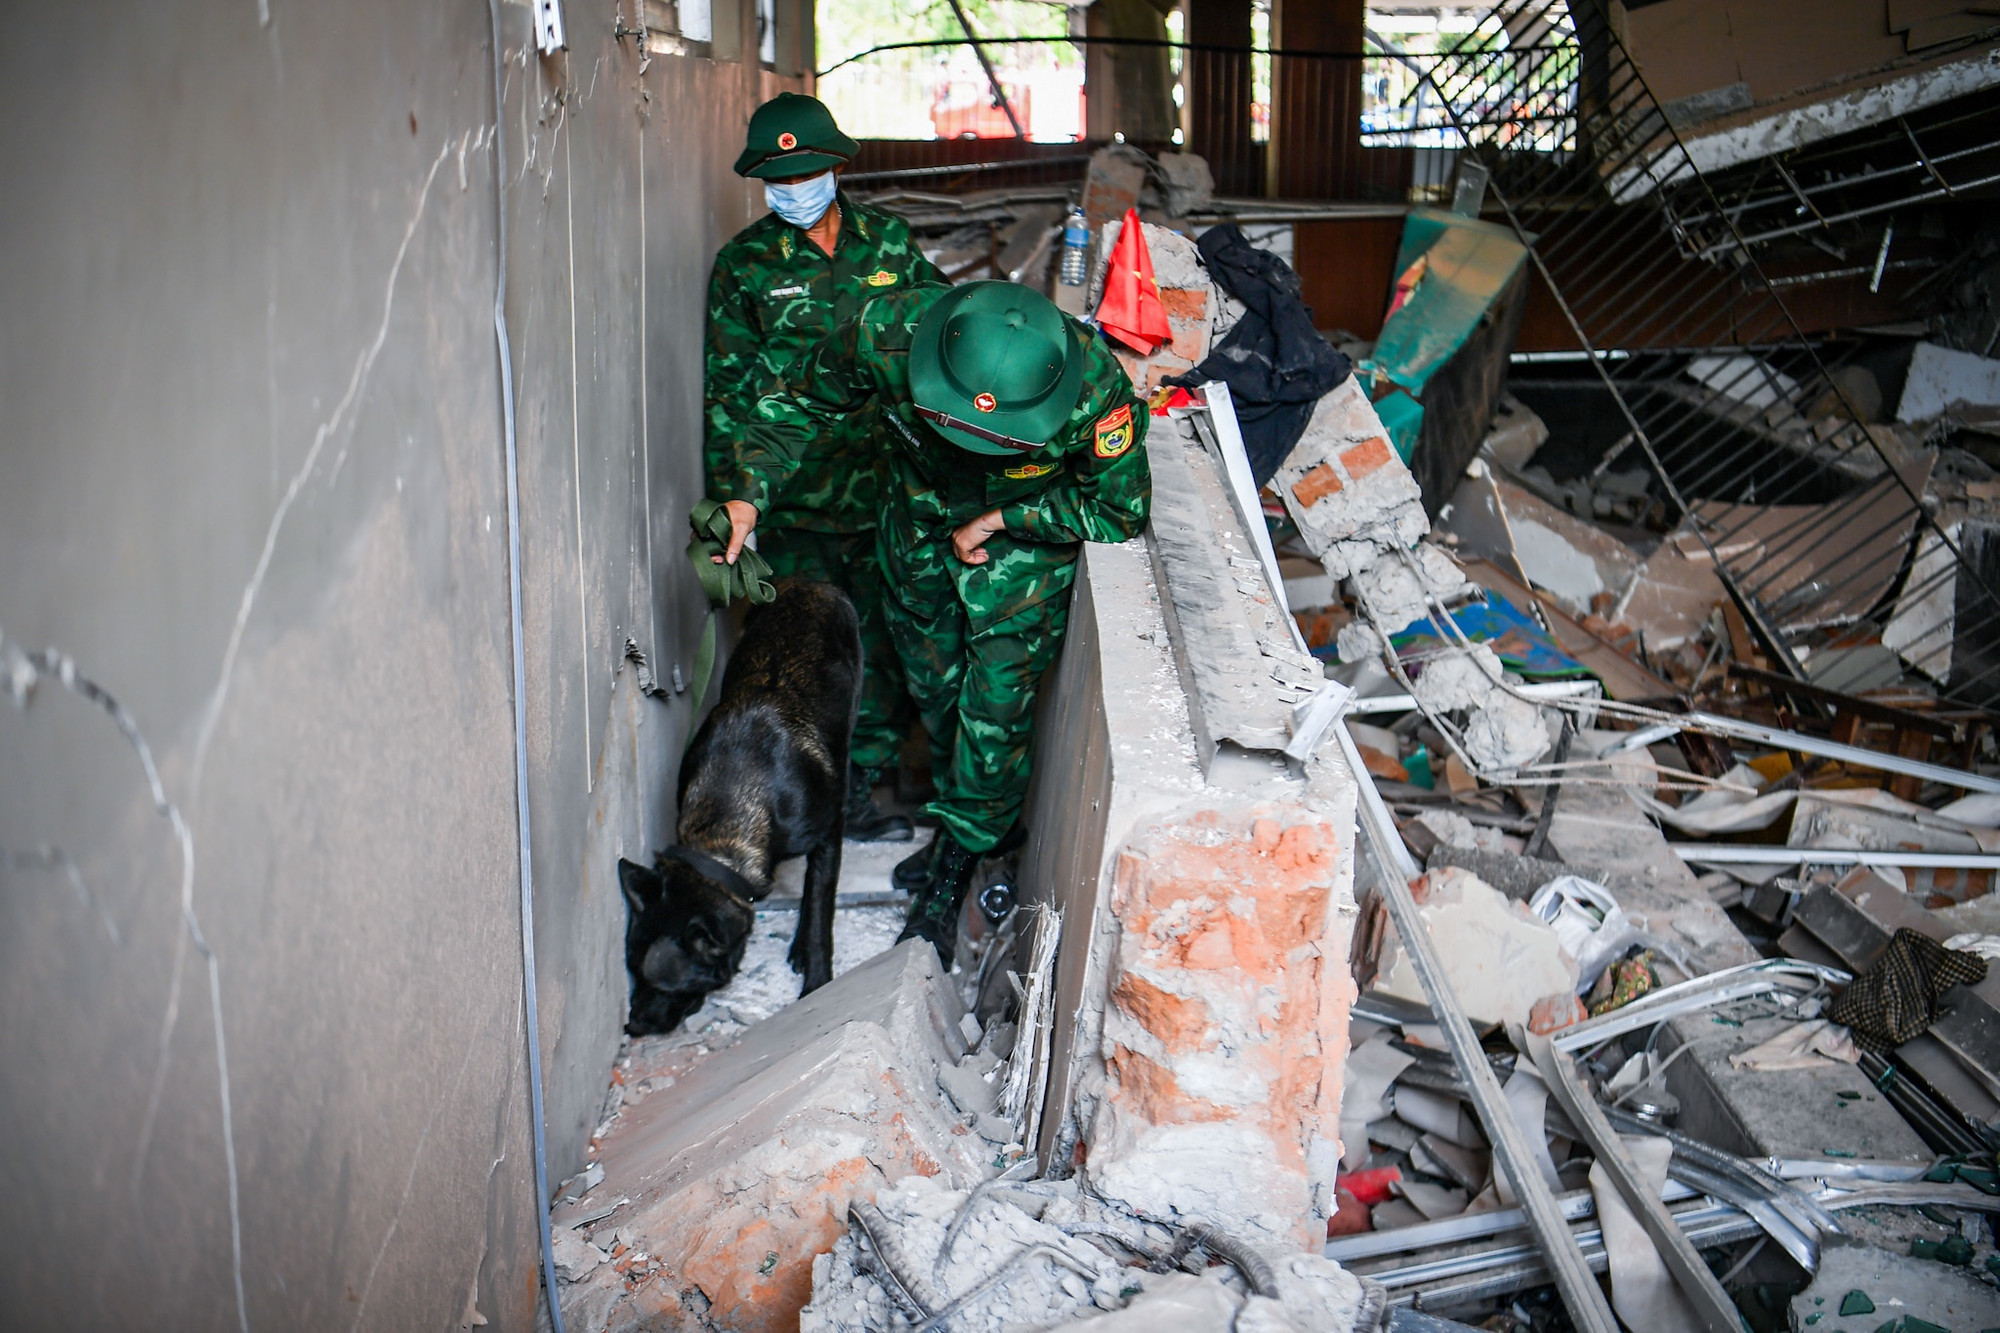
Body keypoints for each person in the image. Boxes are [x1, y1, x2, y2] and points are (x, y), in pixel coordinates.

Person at [718, 280, 1152, 964]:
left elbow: (1120, 509)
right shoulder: (886, 331)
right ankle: (969, 823)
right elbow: (794, 398)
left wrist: (1008, 515)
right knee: (934, 687)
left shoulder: (1096, 394)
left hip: (1017, 559)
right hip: (916, 534)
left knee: (994, 712)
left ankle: (956, 869)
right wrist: (748, 492)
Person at [705, 92, 946, 842]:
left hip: (886, 495)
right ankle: (804, 799)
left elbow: (940, 338)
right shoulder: (744, 267)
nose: (792, 191)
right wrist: (736, 503)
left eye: (805, 173)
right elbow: (729, 400)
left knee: (880, 647)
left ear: (837, 166)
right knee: (806, 664)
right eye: (777, 180)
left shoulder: (890, 245)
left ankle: (858, 794)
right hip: (797, 504)